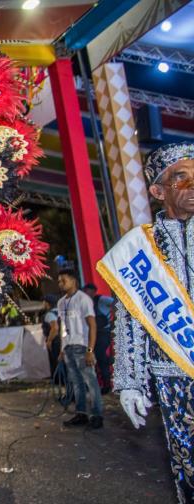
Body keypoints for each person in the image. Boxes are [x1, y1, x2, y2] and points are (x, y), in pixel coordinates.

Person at [99, 142, 194, 502]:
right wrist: (129, 383)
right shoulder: (140, 247)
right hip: (173, 373)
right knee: (187, 465)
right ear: (158, 190)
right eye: (180, 177)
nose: (192, 185)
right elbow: (130, 320)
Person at [56, 269, 103, 429]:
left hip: (82, 346)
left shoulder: (84, 299)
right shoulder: (61, 302)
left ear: (74, 280)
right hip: (68, 347)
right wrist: (62, 348)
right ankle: (81, 413)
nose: (61, 284)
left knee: (90, 381)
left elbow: (92, 325)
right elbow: (63, 326)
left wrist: (90, 350)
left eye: (64, 280)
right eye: (59, 281)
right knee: (76, 382)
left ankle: (97, 415)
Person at [82, 283, 115, 393]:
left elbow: (115, 304)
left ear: (92, 291)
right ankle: (97, 384)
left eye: (87, 291)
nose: (86, 293)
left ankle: (107, 385)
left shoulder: (101, 299)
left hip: (102, 333)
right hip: (92, 333)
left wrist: (113, 322)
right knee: (93, 359)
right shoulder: (85, 303)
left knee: (101, 358)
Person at [42, 294, 60, 377]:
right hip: (64, 340)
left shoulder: (50, 314)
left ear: (48, 303)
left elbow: (55, 328)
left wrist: (49, 340)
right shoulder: (60, 311)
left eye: (44, 302)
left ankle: (58, 380)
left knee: (55, 361)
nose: (43, 304)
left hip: (55, 341)